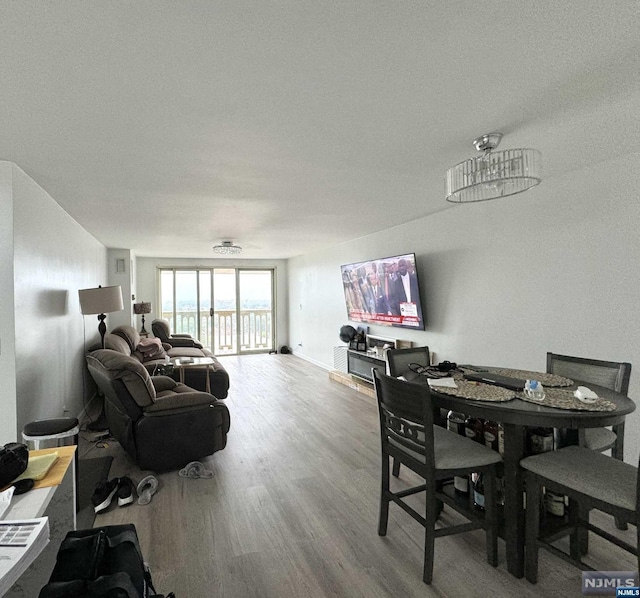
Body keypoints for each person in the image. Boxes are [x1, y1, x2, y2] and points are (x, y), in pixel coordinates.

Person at [390, 258, 422, 322]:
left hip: (417, 316)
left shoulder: (415, 279)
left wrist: (420, 315)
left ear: (407, 266)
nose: (401, 268)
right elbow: (395, 301)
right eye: (400, 266)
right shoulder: (395, 283)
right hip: (404, 317)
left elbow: (420, 297)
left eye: (403, 265)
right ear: (398, 268)